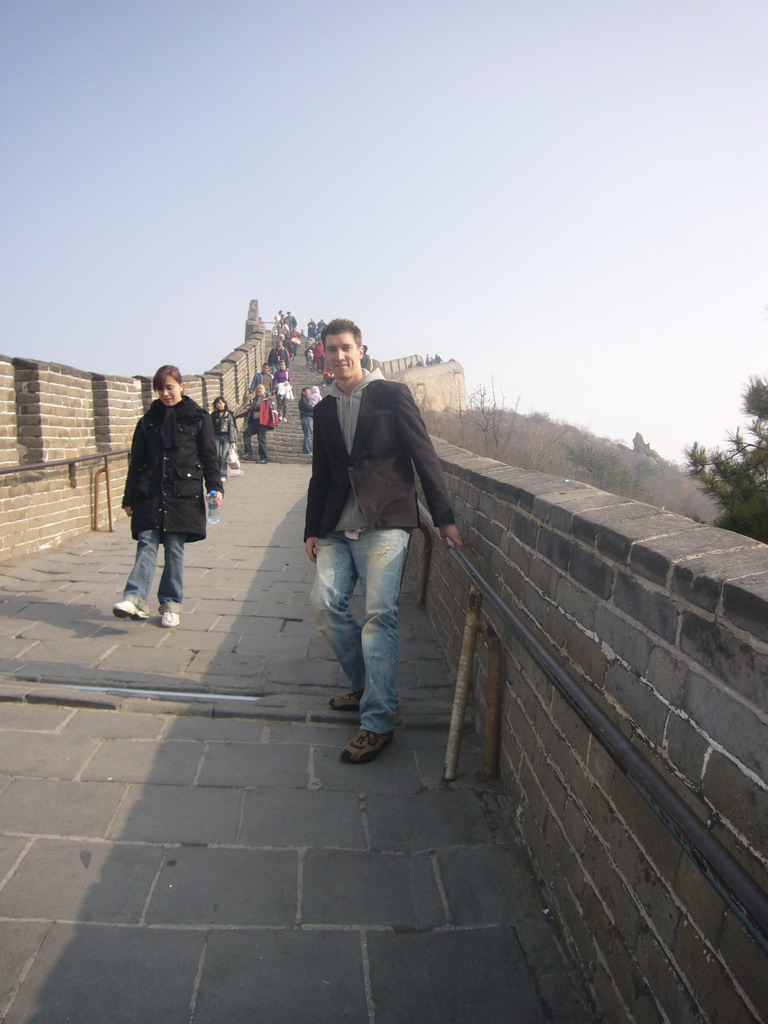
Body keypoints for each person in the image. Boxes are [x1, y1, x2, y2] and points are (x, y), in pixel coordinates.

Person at [304, 319, 462, 764]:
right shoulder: (323, 408)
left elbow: (423, 454)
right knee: (324, 605)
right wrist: (312, 528)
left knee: (379, 618)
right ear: (324, 355)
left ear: (361, 350)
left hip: (386, 523)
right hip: (338, 525)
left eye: (346, 348)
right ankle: (366, 687)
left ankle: (377, 722)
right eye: (331, 349)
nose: (339, 356)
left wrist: (444, 517)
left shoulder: (392, 395)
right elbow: (320, 474)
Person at [113, 365, 222, 629]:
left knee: (174, 549)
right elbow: (136, 462)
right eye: (160, 389)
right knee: (146, 543)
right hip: (150, 493)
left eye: (169, 387)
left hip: (182, 494)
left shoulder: (198, 418)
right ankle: (135, 599)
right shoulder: (148, 421)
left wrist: (215, 487)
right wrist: (129, 498)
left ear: (181, 386)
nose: (165, 393)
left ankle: (171, 604)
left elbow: (209, 456)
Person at [211, 397, 237, 479]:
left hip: (226, 437)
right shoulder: (213, 415)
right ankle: (216, 472)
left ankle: (223, 473)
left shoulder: (229, 414)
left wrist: (232, 441)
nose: (219, 405)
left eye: (221, 403)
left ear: (224, 404)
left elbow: (231, 427)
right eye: (217, 403)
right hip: (216, 437)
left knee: (224, 456)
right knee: (216, 454)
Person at [253, 383, 277, 463]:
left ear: (264, 390)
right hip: (255, 422)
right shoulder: (255, 399)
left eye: (260, 389)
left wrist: (274, 422)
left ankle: (264, 458)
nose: (259, 390)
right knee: (246, 433)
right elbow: (249, 410)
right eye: (257, 389)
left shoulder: (268, 400)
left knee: (261, 439)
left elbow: (274, 411)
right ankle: (248, 452)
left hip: (263, 422)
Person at [298, 386, 315, 454]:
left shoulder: (309, 399)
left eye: (310, 391)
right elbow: (308, 408)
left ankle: (309, 450)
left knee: (310, 435)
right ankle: (307, 451)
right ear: (303, 392)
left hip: (310, 418)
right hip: (307, 418)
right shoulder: (303, 400)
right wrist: (315, 407)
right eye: (308, 391)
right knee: (308, 434)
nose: (309, 392)